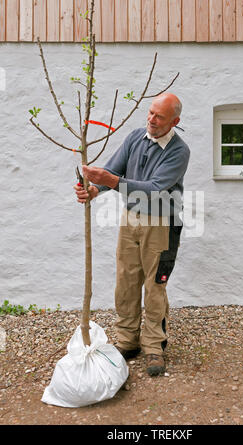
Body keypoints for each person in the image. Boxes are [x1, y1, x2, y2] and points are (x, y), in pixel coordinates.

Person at [74, 93, 190, 376]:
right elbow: (113, 170)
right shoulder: (135, 137)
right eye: (150, 113)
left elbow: (154, 188)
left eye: (159, 116)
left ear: (174, 121)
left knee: (154, 285)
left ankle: (153, 346)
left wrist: (110, 181)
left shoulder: (179, 151)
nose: (151, 119)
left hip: (162, 221)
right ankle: (127, 340)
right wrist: (93, 190)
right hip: (130, 219)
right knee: (125, 281)